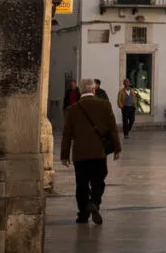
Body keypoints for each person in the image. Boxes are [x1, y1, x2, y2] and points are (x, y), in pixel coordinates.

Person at [59, 79, 122, 225]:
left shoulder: (72, 109)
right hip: (98, 152)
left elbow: (67, 134)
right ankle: (94, 202)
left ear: (80, 91)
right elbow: (113, 128)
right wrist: (117, 148)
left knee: (81, 184)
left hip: (80, 153)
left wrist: (64, 155)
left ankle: (83, 215)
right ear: (94, 90)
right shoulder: (105, 105)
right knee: (98, 181)